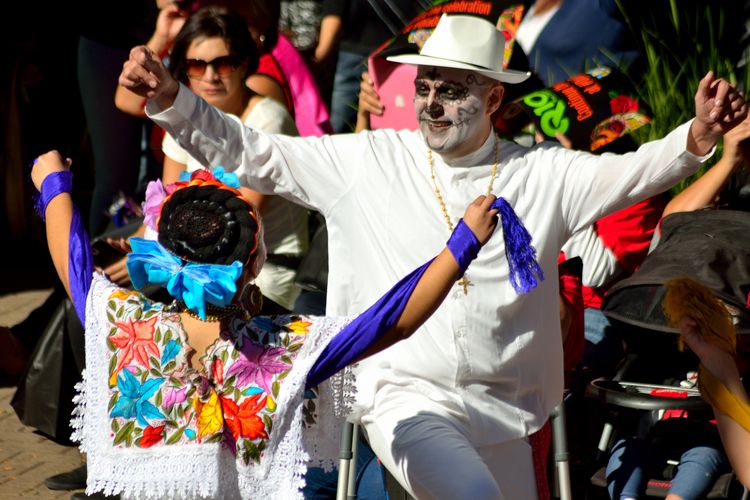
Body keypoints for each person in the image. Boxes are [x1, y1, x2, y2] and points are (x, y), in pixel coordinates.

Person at [119, 13, 746, 498]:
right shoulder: (368, 160)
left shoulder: (543, 171)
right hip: (403, 394)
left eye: (454, 88)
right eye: (425, 86)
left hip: (506, 410)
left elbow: (635, 172)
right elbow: (255, 152)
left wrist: (697, 137)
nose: (433, 102)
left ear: (495, 99)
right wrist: (175, 99)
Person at [31, 149, 500, 499]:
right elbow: (391, 322)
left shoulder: (129, 325)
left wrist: (55, 183)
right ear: (254, 261)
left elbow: (72, 261)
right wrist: (461, 245)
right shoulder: (281, 349)